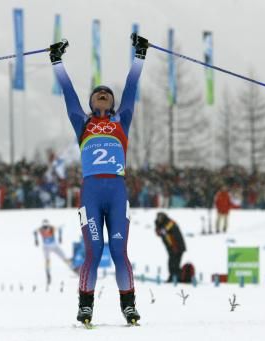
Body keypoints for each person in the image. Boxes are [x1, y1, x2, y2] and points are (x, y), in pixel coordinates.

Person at [49, 33, 147, 325]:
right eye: (98, 92)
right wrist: (56, 61)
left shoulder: (122, 119)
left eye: (107, 92)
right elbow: (68, 93)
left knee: (119, 251)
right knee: (94, 251)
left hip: (117, 192)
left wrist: (140, 55)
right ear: (91, 102)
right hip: (91, 193)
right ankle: (85, 306)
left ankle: (128, 305)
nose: (103, 92)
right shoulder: (83, 122)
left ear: (113, 102)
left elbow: (131, 87)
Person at [34, 219, 71, 285]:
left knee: (64, 257)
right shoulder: (40, 229)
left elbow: (59, 229)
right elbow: (34, 232)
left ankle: (73, 267)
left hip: (54, 246)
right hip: (46, 247)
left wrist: (60, 237)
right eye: (44, 227)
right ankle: (48, 273)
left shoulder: (52, 228)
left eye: (46, 227)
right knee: (47, 260)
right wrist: (36, 240)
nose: (45, 228)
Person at [154, 212, 186, 283]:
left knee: (174, 263)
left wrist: (176, 247)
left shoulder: (170, 224)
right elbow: (159, 232)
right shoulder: (161, 225)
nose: (159, 219)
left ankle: (176, 277)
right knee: (172, 263)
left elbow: (176, 236)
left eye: (160, 218)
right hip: (171, 247)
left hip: (177, 246)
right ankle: (174, 277)